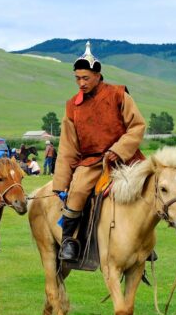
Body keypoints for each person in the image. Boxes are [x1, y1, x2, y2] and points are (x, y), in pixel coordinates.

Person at [53, 41, 146, 262]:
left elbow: (137, 126)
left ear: (98, 75)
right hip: (93, 161)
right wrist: (60, 183)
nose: (81, 83)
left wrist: (119, 149)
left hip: (126, 158)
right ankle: (69, 241)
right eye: (77, 78)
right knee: (77, 193)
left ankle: (145, 241)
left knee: (153, 185)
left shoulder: (118, 95)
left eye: (85, 78)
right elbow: (67, 147)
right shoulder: (72, 107)